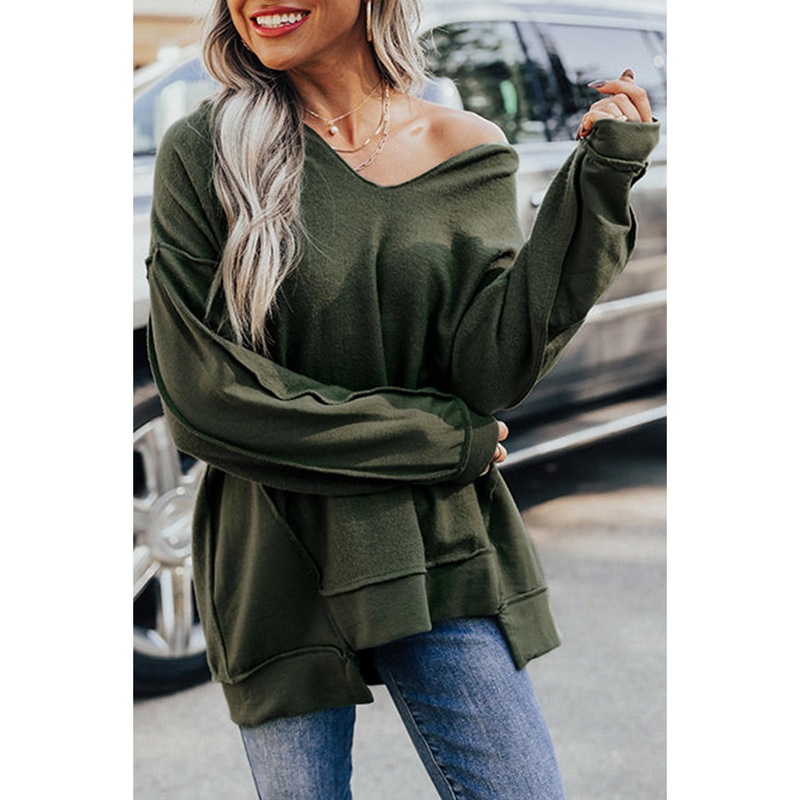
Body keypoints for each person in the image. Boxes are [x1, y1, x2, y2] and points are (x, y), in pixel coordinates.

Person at [145, 0, 659, 797]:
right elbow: (207, 395)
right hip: (274, 554)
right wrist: (440, 440)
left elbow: (491, 370)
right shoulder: (207, 151)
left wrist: (600, 182)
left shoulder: (467, 147)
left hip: (430, 541)